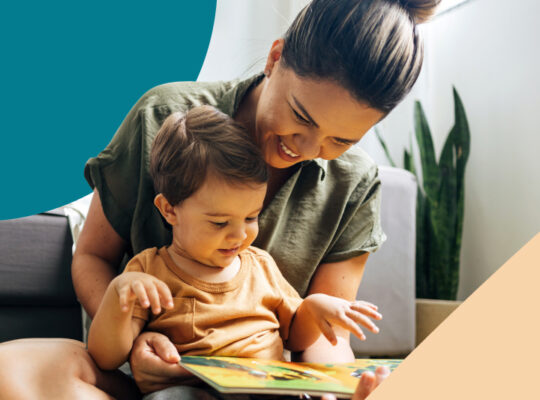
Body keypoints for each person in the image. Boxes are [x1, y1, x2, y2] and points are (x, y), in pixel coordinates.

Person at [0, 0, 440, 399]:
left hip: (259, 386)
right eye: (300, 117)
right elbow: (92, 256)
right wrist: (133, 343)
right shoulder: (163, 116)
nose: (306, 149)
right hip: (147, 377)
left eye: (340, 140)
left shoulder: (356, 183)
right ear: (274, 58)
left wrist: (332, 393)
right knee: (9, 371)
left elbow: (322, 335)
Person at [87, 106, 382, 396]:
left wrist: (315, 309)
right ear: (169, 210)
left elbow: (294, 337)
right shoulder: (149, 272)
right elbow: (106, 358)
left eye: (251, 217)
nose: (239, 235)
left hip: (267, 389)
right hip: (192, 390)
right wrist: (117, 295)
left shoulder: (261, 266)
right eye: (219, 222)